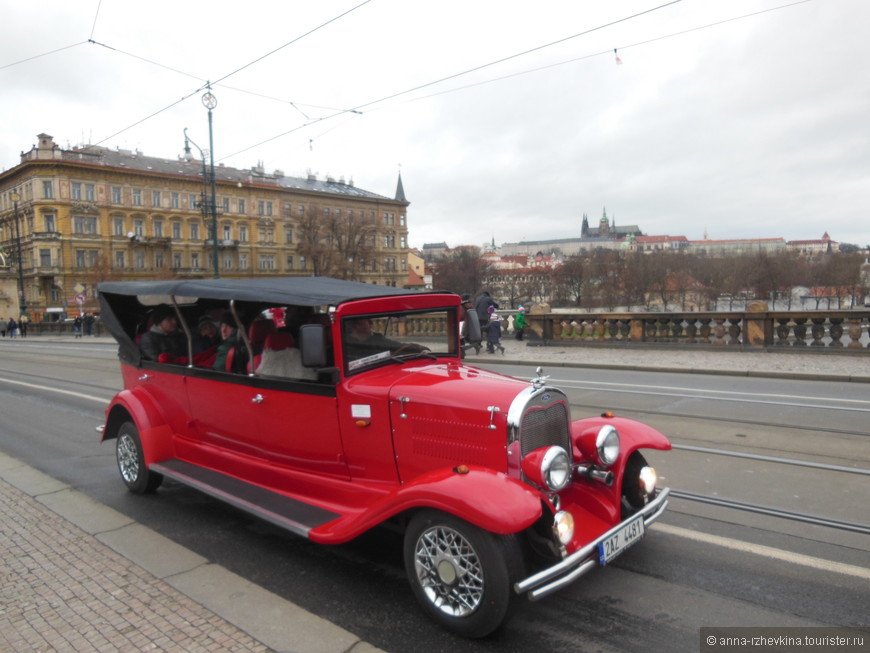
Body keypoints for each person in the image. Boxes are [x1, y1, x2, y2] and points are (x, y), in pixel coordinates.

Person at [343, 316, 427, 364]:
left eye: (359, 322)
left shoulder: (380, 342)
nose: (371, 323)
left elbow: (401, 347)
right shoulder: (341, 344)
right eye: (352, 323)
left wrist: (421, 349)